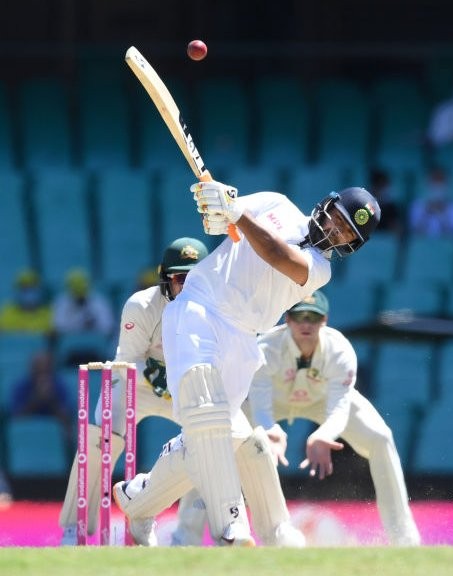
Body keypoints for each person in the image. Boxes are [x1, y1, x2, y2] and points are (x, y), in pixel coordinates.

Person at [113, 180, 381, 547]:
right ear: (326, 205)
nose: (336, 230)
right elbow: (220, 222)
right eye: (338, 218)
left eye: (347, 232)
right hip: (200, 307)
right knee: (206, 415)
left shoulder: (320, 268)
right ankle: (231, 524)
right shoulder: (275, 203)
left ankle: (139, 501)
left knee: (226, 437)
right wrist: (217, 204)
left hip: (242, 338)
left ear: (351, 244)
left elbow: (277, 255)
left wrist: (236, 211)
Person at [58, 237, 212, 545]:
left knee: (209, 441)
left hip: (185, 387)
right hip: (136, 385)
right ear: (165, 278)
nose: (187, 286)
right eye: (180, 278)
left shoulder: (216, 307)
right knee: (99, 437)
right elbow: (127, 361)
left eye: (195, 278)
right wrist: (156, 375)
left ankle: (179, 530)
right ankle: (75, 527)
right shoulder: (141, 305)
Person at [246, 291, 420, 545]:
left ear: (324, 320)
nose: (306, 324)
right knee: (218, 437)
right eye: (299, 317)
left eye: (313, 318)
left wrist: (323, 434)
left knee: (381, 438)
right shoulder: (266, 348)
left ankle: (404, 538)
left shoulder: (340, 349)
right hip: (274, 400)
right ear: (287, 319)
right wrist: (269, 430)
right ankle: (219, 531)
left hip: (322, 399)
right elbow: (259, 403)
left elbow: (339, 406)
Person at [9, 350, 75, 443]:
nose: (42, 373)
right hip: (26, 437)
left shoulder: (60, 386)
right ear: (32, 369)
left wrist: (52, 400)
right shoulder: (20, 386)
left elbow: (67, 419)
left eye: (46, 370)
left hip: (55, 437)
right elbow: (17, 419)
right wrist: (36, 399)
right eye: (38, 369)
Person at [409, 165, 453, 237]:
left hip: (446, 244)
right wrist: (426, 212)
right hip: (422, 243)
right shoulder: (417, 205)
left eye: (441, 180)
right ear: (427, 182)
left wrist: (442, 214)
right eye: (434, 180)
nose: (437, 185)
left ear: (448, 183)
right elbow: (415, 232)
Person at [0, 269, 53, 334]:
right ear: (16, 290)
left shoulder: (50, 315)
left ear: (41, 290)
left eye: (33, 288)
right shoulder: (6, 313)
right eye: (24, 288)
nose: (29, 292)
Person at [368, 167, 403, 236]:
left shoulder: (391, 208)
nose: (383, 190)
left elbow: (397, 229)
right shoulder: (365, 205)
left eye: (384, 186)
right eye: (380, 186)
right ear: (373, 187)